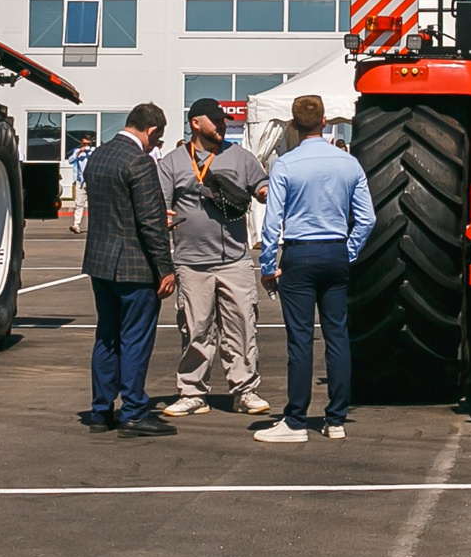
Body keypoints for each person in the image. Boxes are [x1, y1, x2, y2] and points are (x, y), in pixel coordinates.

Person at [253, 93, 374, 444]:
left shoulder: (285, 165)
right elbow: (366, 219)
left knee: (301, 339)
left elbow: (272, 222)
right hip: (335, 252)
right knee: (337, 335)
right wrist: (348, 251)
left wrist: (266, 265)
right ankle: (335, 418)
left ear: (292, 125)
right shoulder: (347, 163)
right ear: (324, 121)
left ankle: (295, 420)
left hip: (299, 255)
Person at [154, 97, 273, 419]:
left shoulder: (240, 157)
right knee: (195, 329)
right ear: (196, 123)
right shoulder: (173, 162)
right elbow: (160, 204)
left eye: (224, 120)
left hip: (234, 260)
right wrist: (163, 219)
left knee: (242, 326)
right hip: (191, 262)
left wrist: (263, 190)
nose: (223, 125)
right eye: (216, 120)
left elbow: (261, 183)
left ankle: (245, 390)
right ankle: (192, 392)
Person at [80, 102, 178, 437]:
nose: (157, 145)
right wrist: (165, 268)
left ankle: (100, 410)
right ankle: (134, 411)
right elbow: (150, 222)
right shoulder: (139, 161)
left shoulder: (100, 155)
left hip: (100, 261)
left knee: (106, 336)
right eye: (158, 139)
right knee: (135, 338)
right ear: (151, 130)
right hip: (134, 266)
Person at [66, 136, 97, 232]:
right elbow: (70, 161)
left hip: (92, 181)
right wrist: (80, 152)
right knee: (79, 204)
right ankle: (76, 225)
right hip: (81, 181)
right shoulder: (78, 152)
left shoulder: (94, 151)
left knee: (95, 204)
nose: (86, 146)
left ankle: (95, 226)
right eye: (84, 144)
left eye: (88, 144)